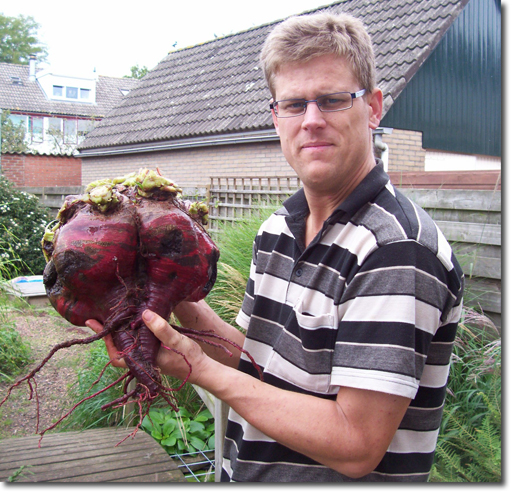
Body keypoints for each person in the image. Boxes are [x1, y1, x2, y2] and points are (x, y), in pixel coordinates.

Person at [87, 11, 464, 482]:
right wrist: (168, 298)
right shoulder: (278, 229)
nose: (311, 121)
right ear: (275, 116)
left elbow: (355, 444)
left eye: (332, 99)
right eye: (293, 104)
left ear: (373, 107)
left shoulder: (397, 250)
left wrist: (197, 366)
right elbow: (257, 361)